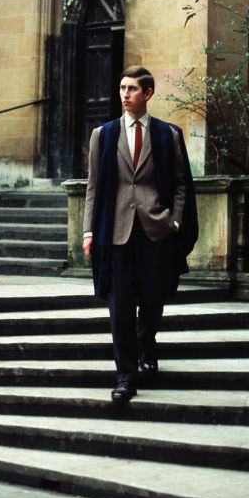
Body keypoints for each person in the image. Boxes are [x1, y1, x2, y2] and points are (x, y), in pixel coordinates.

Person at [82, 65, 197, 403]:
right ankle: (125, 377)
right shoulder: (102, 135)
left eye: (132, 89)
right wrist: (89, 230)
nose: (125, 94)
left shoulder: (168, 135)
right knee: (119, 307)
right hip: (114, 233)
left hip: (155, 230)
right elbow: (93, 187)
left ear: (147, 93)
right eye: (121, 88)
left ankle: (147, 343)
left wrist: (174, 221)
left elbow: (180, 184)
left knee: (152, 300)